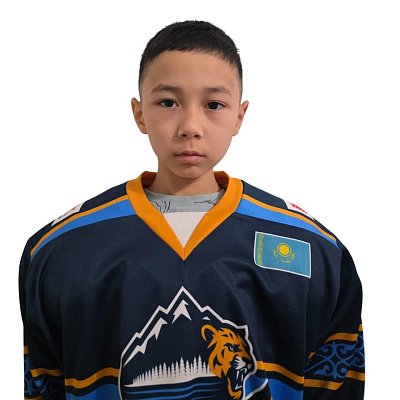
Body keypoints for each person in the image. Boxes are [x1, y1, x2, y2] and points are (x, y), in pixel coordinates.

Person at [19, 20, 364, 400]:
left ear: (239, 116)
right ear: (139, 113)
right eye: (168, 102)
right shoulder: (62, 248)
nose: (190, 127)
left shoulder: (313, 248)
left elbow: (335, 383)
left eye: (213, 105)